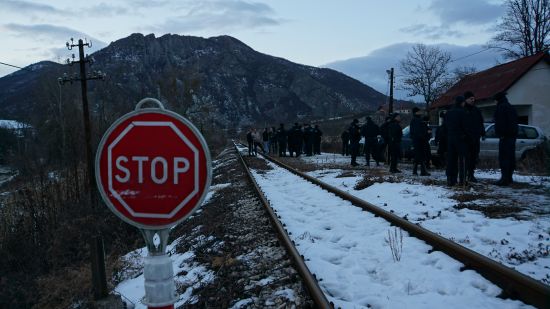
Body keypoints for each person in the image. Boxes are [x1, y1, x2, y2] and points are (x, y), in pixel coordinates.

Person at [493, 92, 518, 186]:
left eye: (495, 100)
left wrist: (501, 134)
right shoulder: (511, 107)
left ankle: (504, 179)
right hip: (512, 137)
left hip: (505, 137)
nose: (494, 102)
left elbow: (500, 123)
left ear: (497, 100)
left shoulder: (501, 108)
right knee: (511, 157)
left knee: (504, 158)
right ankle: (509, 178)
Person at [463, 91, 485, 182]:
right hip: (466, 138)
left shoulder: (476, 110)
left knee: (474, 157)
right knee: (466, 157)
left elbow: (480, 122)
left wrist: (482, 132)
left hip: (475, 138)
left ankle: (471, 175)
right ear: (466, 99)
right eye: (470, 99)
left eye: (473, 98)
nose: (473, 100)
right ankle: (464, 174)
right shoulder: (463, 110)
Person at [445, 96, 467, 186]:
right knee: (462, 160)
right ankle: (462, 180)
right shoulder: (463, 112)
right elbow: (466, 126)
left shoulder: (449, 113)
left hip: (450, 138)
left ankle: (450, 179)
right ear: (462, 102)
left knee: (451, 160)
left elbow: (445, 126)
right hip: (461, 139)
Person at [410, 107, 430, 176]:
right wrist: (423, 137)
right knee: (420, 156)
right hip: (419, 141)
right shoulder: (417, 120)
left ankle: (419, 171)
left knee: (419, 156)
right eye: (419, 111)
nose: (420, 112)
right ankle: (420, 171)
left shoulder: (416, 120)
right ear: (416, 112)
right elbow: (418, 131)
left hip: (418, 140)